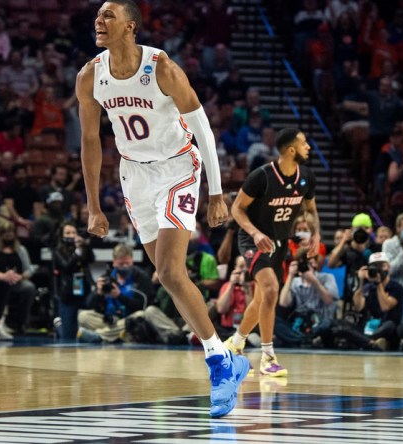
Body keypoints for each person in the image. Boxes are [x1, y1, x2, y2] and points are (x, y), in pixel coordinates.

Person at [76, 0, 248, 418]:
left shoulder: (162, 67)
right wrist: (93, 206)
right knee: (169, 279)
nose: (99, 22)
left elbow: (202, 126)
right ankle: (229, 358)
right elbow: (91, 142)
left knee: (171, 270)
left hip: (177, 168)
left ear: (130, 26)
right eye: (97, 16)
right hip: (134, 175)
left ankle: (218, 363)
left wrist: (216, 190)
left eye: (108, 16)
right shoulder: (89, 76)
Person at [225, 127, 319, 376]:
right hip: (253, 239)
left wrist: (316, 233)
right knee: (270, 289)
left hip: (280, 241)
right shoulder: (262, 176)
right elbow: (236, 209)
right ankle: (268, 357)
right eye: (304, 143)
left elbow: (310, 209)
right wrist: (255, 233)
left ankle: (235, 343)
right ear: (291, 150)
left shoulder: (306, 177)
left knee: (262, 300)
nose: (308, 147)